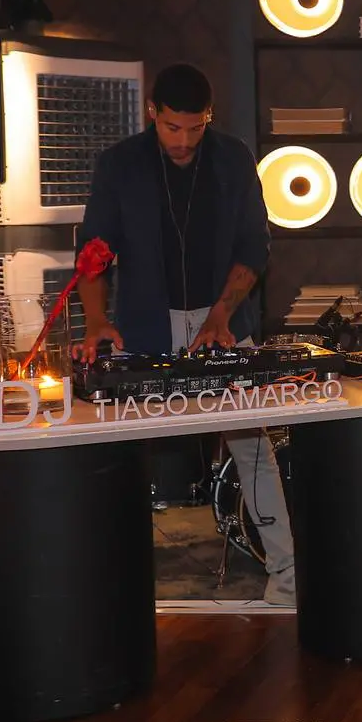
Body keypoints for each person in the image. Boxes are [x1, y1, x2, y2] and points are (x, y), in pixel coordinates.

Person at [75, 63, 295, 606]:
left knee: (252, 446)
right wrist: (97, 321)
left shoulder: (234, 157)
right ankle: (110, 585)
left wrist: (221, 314)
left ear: (209, 118)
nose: (183, 140)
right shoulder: (120, 164)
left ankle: (288, 578)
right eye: (173, 127)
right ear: (153, 113)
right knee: (123, 449)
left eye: (196, 128)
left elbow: (255, 245)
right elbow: (94, 253)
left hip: (225, 323)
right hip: (145, 323)